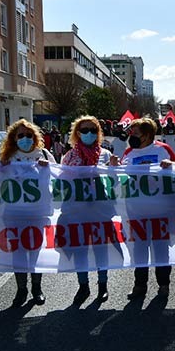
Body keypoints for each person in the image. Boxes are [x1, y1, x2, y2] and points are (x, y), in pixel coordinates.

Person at [0, 119, 55, 306]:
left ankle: (37, 288)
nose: (25, 138)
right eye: (20, 135)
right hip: (13, 213)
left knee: (35, 251)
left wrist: (49, 168)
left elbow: (60, 176)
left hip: (37, 213)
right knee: (18, 253)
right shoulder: (8, 157)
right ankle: (21, 290)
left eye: (29, 135)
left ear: (35, 137)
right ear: (14, 138)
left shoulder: (44, 154)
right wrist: (1, 170)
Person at [61, 116, 119, 304]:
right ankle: (83, 286)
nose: (89, 134)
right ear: (77, 133)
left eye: (92, 130)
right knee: (80, 248)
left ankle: (103, 286)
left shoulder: (105, 154)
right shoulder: (69, 156)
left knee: (101, 247)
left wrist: (113, 169)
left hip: (100, 209)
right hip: (78, 210)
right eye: (84, 130)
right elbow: (61, 182)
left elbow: (115, 182)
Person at [121, 118, 175, 299]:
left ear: (147, 134)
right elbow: (120, 176)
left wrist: (171, 167)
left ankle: (163, 285)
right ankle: (140, 285)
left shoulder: (162, 150)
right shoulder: (129, 153)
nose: (132, 136)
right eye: (131, 132)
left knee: (161, 249)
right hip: (136, 210)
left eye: (135, 132)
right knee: (139, 249)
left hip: (160, 210)